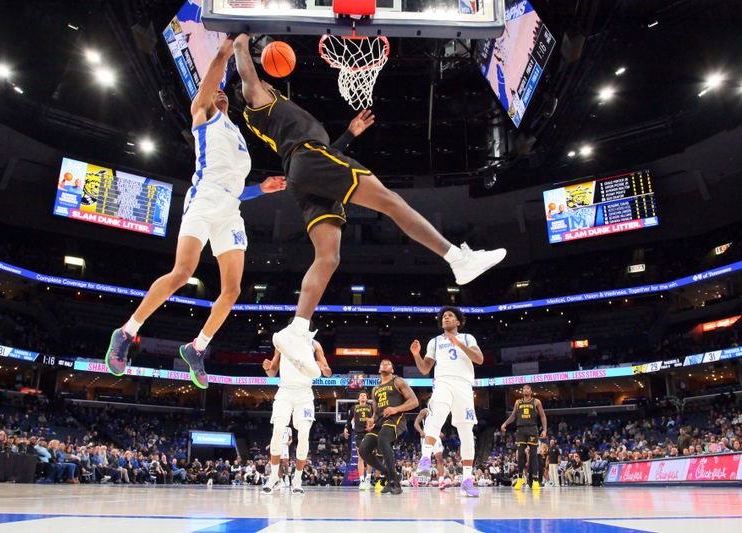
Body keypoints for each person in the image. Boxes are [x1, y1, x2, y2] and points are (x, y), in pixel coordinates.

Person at [233, 33, 507, 378]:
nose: (266, 81)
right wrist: (240, 43)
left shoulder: (280, 118)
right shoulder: (261, 103)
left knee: (328, 257)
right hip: (310, 161)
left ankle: (297, 329)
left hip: (306, 171)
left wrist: (348, 135)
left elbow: (321, 150)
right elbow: (248, 80)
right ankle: (458, 259)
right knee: (391, 202)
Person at [105, 35, 287, 388]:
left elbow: (233, 188)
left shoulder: (237, 135)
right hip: (203, 199)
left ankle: (196, 347)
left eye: (222, 94)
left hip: (230, 208)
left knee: (232, 291)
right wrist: (223, 52)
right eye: (215, 92)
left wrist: (260, 189)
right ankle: (126, 333)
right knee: (182, 271)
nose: (218, 94)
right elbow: (211, 83)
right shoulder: (203, 117)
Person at [412, 306, 483, 497]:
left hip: (464, 386)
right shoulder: (434, 342)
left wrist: (458, 344)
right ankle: (425, 458)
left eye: (450, 316)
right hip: (443, 382)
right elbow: (425, 369)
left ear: (458, 322)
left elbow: (479, 359)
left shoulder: (467, 338)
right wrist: (416, 354)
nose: (446, 318)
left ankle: (467, 480)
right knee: (437, 415)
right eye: (444, 316)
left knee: (466, 431)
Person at [261, 328, 332, 495]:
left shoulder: (315, 344)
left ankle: (297, 479)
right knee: (278, 429)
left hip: (305, 395)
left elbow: (328, 372)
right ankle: (274, 477)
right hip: (285, 391)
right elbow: (272, 372)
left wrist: (323, 368)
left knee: (304, 434)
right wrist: (267, 368)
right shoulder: (282, 342)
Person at [358, 359, 419, 495]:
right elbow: (375, 413)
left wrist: (396, 409)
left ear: (392, 370)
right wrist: (371, 420)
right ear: (379, 369)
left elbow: (414, 401)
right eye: (382, 364)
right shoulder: (375, 389)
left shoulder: (398, 381)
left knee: (383, 440)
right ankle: (391, 475)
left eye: (388, 364)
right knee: (364, 450)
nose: (384, 364)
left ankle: (395, 483)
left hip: (395, 418)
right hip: (380, 422)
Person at [501, 384, 547, 491]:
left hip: (532, 429)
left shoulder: (536, 402)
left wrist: (544, 430)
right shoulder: (518, 402)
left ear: (531, 391)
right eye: (524, 389)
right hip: (521, 430)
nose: (525, 390)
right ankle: (520, 478)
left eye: (527, 388)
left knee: (533, 455)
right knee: (520, 454)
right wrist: (505, 423)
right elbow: (513, 415)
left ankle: (535, 480)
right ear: (522, 391)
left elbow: (543, 416)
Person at [343, 391, 374, 491]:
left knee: (370, 457)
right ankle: (362, 481)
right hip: (359, 433)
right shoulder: (354, 408)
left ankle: (368, 479)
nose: (363, 396)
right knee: (361, 458)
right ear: (358, 399)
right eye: (361, 395)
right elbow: (349, 420)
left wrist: (373, 425)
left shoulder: (371, 407)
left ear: (367, 398)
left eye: (365, 395)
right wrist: (346, 428)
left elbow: (376, 418)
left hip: (369, 433)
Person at [413, 405, 448, 489]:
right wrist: (421, 431)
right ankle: (415, 477)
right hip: (427, 436)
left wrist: (440, 432)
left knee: (440, 459)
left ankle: (441, 481)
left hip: (436, 437)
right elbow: (416, 423)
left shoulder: (439, 413)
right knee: (425, 458)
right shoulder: (425, 411)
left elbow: (436, 426)